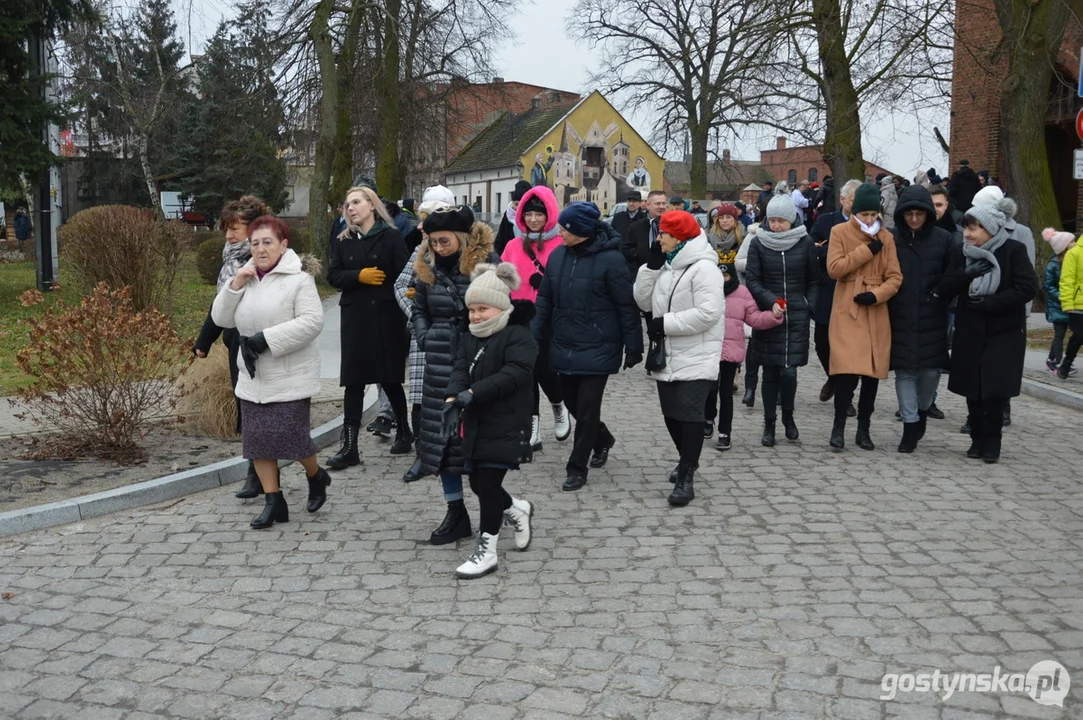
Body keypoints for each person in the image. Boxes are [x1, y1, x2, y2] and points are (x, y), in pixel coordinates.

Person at [210, 215, 330, 529]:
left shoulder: (299, 279)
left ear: (283, 245)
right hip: (253, 372)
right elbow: (222, 318)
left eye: (267, 242)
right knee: (257, 441)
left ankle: (316, 476)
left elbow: (312, 322)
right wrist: (234, 285)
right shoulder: (245, 275)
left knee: (293, 438)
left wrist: (267, 339)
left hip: (289, 372)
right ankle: (274, 501)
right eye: (255, 243)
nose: (261, 249)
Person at [532, 201, 644, 491]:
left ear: (581, 231)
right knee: (572, 403)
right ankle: (603, 439)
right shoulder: (557, 256)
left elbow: (625, 305)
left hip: (599, 344)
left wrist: (633, 346)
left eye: (565, 227)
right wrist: (533, 335)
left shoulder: (611, 260)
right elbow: (544, 300)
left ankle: (576, 467)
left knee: (587, 409)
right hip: (563, 342)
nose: (559, 230)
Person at [414, 205, 501, 544]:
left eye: (445, 240)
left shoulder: (484, 267)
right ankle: (455, 511)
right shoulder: (427, 269)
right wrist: (424, 335)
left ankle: (502, 506)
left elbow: (499, 307)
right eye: (433, 241)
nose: (439, 247)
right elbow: (419, 309)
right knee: (442, 443)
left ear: (462, 237)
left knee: (478, 442)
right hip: (437, 363)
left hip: (474, 360)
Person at [444, 262, 537, 578]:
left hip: (508, 420)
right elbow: (459, 367)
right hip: (476, 419)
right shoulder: (470, 336)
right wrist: (453, 397)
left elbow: (515, 373)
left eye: (482, 309)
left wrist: (474, 391)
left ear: (499, 306)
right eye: (471, 309)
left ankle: (487, 551)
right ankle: (516, 510)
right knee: (477, 482)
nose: (475, 316)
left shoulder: (518, 335)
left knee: (487, 482)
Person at [633, 211, 723, 506]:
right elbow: (643, 302)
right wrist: (650, 268)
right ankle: (688, 460)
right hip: (667, 354)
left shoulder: (704, 269)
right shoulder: (667, 266)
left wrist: (666, 323)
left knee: (690, 415)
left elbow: (709, 314)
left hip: (698, 353)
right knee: (671, 415)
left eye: (664, 234)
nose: (659, 239)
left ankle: (686, 475)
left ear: (679, 237)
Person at [937, 198, 1037, 462]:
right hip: (970, 330)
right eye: (966, 228)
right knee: (973, 389)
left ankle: (993, 442)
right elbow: (944, 287)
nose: (967, 234)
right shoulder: (962, 253)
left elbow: (1028, 287)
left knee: (994, 391)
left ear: (991, 229)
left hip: (1004, 330)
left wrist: (992, 302)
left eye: (974, 228)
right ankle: (976, 438)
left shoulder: (1012, 250)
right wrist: (966, 274)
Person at [326, 186, 413, 469]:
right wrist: (357, 276)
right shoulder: (344, 239)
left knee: (389, 377)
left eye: (356, 202)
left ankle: (403, 429)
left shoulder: (391, 236)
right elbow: (333, 275)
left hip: (386, 316)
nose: (350, 208)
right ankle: (350, 446)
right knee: (353, 381)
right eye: (347, 204)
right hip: (355, 317)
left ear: (371, 206)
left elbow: (404, 274)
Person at [193, 195, 273, 499]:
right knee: (246, 407)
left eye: (235, 229)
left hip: (260, 345)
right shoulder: (231, 260)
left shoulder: (261, 261)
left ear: (253, 230)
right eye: (226, 228)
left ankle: (268, 474)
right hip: (235, 343)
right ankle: (256, 472)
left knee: (259, 409)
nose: (228, 235)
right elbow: (222, 304)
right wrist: (205, 341)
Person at [826, 182, 902, 451]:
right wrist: (866, 251)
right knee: (846, 370)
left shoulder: (888, 238)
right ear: (855, 213)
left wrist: (877, 295)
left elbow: (895, 277)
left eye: (873, 214)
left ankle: (864, 429)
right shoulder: (839, 232)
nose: (870, 220)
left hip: (874, 310)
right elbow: (834, 269)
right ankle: (838, 427)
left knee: (872, 374)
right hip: (848, 307)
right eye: (864, 214)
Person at [744, 195, 819, 446]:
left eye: (781, 221)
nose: (776, 226)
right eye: (772, 220)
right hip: (769, 315)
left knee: (789, 372)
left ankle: (788, 417)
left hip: (796, 314)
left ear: (791, 220)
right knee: (770, 372)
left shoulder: (805, 242)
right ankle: (769, 423)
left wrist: (809, 304)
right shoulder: (758, 243)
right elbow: (753, 280)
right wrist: (770, 301)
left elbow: (814, 280)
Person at [500, 185, 570, 451]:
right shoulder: (513, 244)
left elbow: (571, 280)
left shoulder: (562, 244)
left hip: (550, 318)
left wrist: (547, 283)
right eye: (528, 214)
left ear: (549, 214)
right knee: (525, 374)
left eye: (538, 214)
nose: (532, 219)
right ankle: (533, 428)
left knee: (545, 370)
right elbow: (502, 277)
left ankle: (558, 404)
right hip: (519, 317)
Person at [394, 185, 457, 483]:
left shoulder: (465, 252)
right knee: (421, 398)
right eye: (423, 217)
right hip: (428, 339)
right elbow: (401, 286)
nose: (423, 224)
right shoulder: (422, 251)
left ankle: (455, 452)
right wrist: (418, 320)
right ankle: (424, 454)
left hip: (458, 338)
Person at [887, 185, 954, 453]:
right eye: (909, 214)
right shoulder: (892, 240)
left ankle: (923, 410)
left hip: (933, 315)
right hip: (900, 314)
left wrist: (940, 293)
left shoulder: (945, 240)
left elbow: (953, 274)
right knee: (904, 372)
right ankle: (909, 424)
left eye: (919, 214)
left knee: (930, 373)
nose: (914, 219)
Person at [970, 185, 1036, 428]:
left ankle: (1002, 408)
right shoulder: (971, 234)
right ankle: (976, 419)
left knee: (1002, 368)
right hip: (979, 313)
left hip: (1007, 313)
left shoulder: (1020, 235)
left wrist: (1023, 310)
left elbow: (1027, 277)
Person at [706, 262, 783, 451]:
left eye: (726, 276)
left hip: (730, 350)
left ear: (732, 276)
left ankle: (725, 433)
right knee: (708, 388)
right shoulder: (706, 290)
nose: (723, 280)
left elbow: (754, 318)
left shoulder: (742, 293)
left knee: (725, 391)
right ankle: (708, 417)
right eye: (720, 276)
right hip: (708, 348)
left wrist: (774, 316)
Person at [809, 179, 859, 415]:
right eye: (855, 199)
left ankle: (844, 395)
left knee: (847, 347)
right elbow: (812, 248)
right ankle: (833, 377)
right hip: (828, 289)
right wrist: (828, 251)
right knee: (822, 342)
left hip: (856, 292)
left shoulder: (868, 225)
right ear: (843, 200)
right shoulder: (826, 221)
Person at [1042, 228, 1076, 374]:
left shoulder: (1072, 260)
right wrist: (1062, 296)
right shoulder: (1053, 265)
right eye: (1072, 242)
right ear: (1063, 246)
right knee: (1059, 334)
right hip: (1057, 305)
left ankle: (1051, 359)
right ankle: (1056, 361)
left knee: (1069, 333)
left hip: (1070, 304)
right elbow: (1048, 286)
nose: (1074, 244)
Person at [1057, 230, 1083, 380]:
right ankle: (1067, 361)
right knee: (1080, 335)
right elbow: (1066, 279)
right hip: (1078, 304)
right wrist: (1067, 303)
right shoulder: (1074, 253)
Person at [623, 190, 667, 278]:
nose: (661, 207)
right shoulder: (636, 227)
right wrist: (638, 252)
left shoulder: (672, 225)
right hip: (643, 274)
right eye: (657, 204)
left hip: (666, 273)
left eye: (663, 203)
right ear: (647, 205)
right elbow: (627, 251)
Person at [495, 180, 532, 255]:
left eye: (522, 204)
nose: (518, 208)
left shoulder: (533, 219)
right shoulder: (508, 216)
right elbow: (499, 242)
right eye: (516, 204)